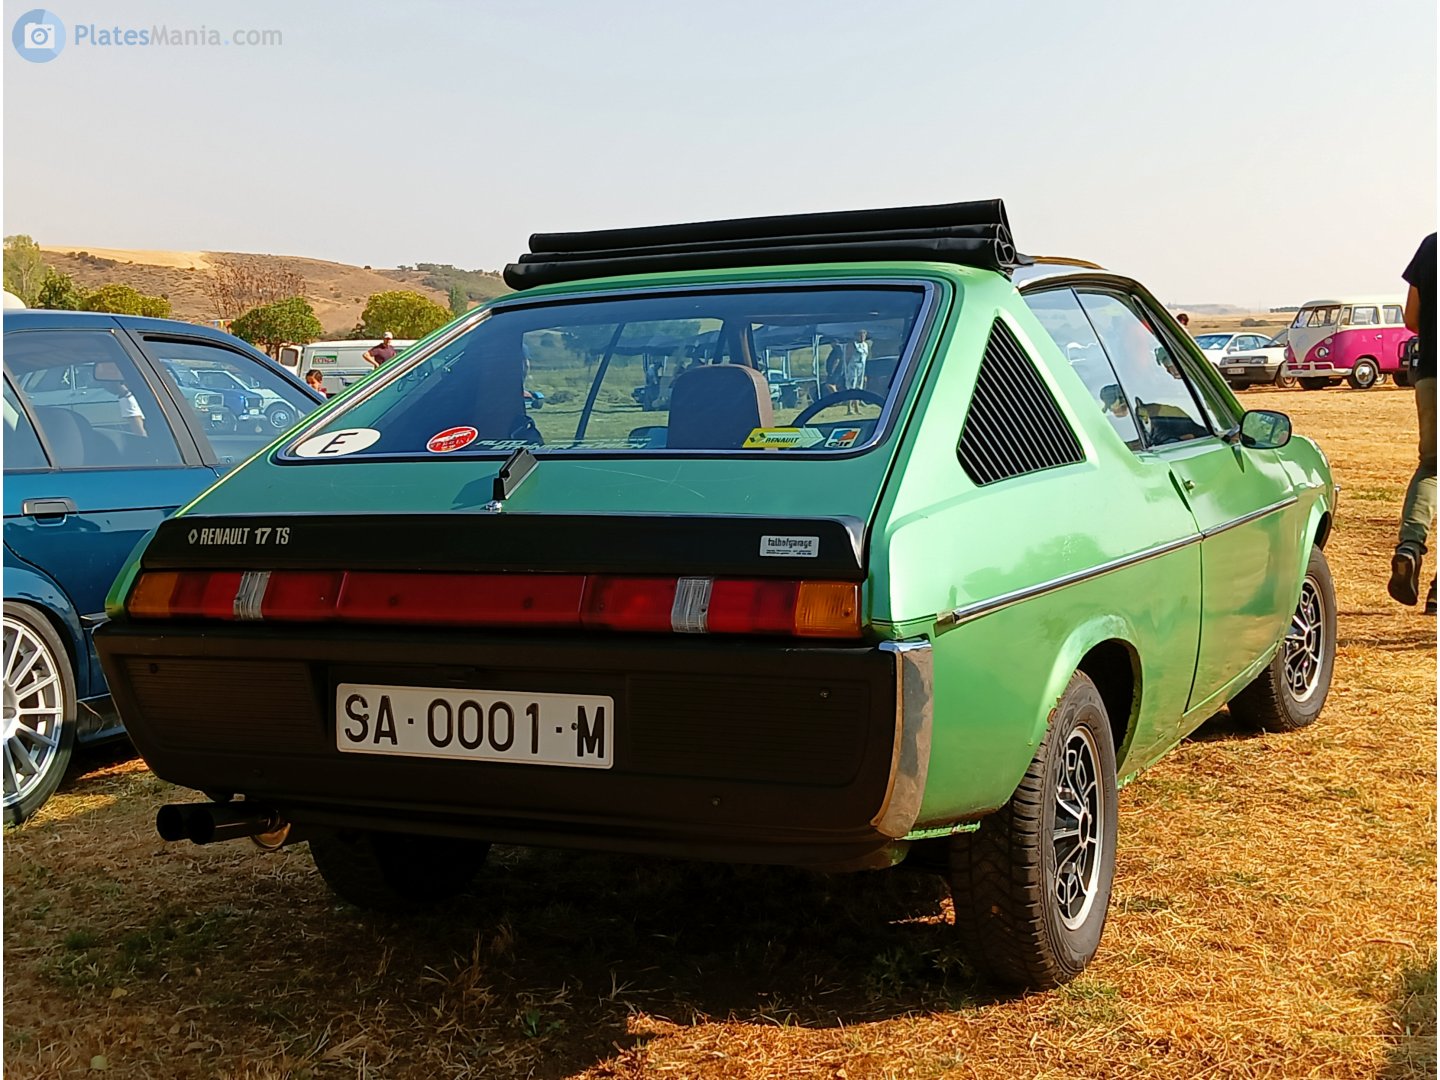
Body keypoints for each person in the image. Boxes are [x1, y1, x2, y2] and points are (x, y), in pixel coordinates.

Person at [1388, 232, 1437, 613]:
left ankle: (1409, 546)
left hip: (1431, 374)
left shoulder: (1431, 245)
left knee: (1432, 467)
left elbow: (1411, 319)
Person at [844, 329, 870, 414]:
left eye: (864, 335)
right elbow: (847, 357)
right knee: (851, 388)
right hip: (853, 367)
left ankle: (857, 408)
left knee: (859, 387)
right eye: (860, 335)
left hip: (861, 368)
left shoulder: (865, 345)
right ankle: (849, 408)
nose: (862, 337)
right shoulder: (852, 345)